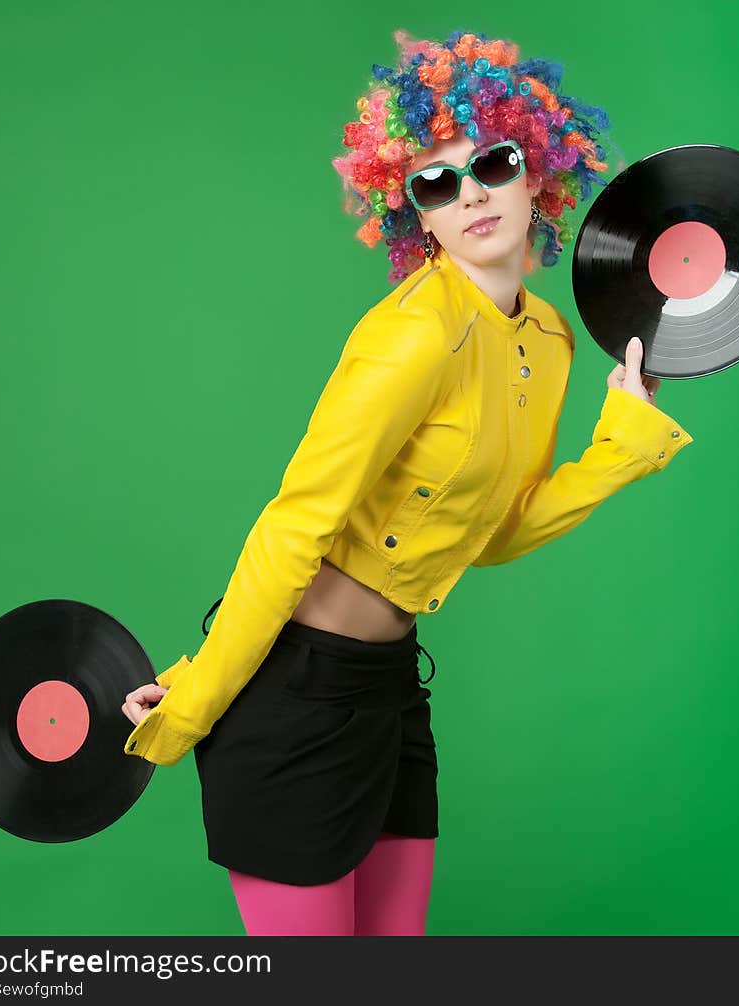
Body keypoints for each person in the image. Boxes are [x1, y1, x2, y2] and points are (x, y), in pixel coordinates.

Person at [120, 27, 694, 936]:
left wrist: (624, 439)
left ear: (537, 172)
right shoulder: (412, 336)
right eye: (436, 181)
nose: (469, 194)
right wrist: (194, 696)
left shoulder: (544, 340)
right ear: (411, 211)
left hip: (389, 694)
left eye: (492, 164)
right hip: (291, 699)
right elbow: (294, 526)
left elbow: (492, 533)